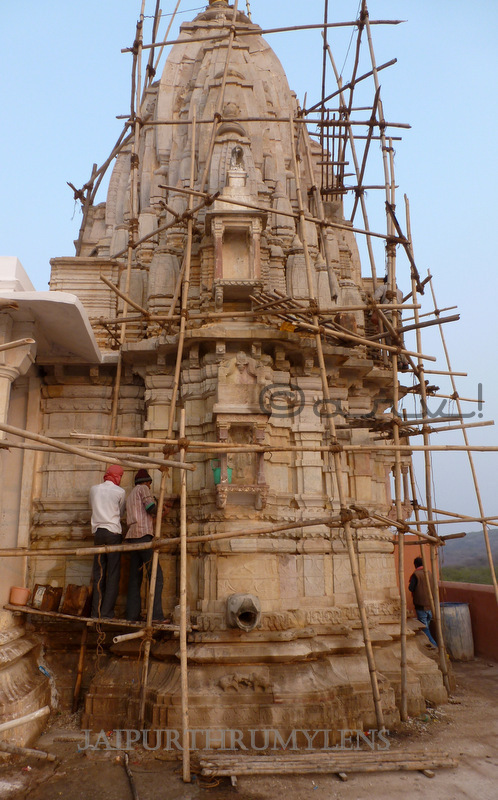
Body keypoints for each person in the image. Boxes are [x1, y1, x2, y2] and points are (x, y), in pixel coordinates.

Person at [124, 469, 171, 622]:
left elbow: (147, 516)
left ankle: (132, 615)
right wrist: (161, 508)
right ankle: (156, 615)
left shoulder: (130, 495)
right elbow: (150, 508)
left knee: (134, 578)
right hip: (143, 536)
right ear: (146, 482)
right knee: (156, 576)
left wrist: (162, 511)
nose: (149, 488)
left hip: (132, 537)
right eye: (150, 484)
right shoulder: (143, 489)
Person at [89, 465, 126, 619]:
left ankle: (95, 611)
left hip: (98, 533)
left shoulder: (94, 489)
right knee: (112, 574)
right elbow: (121, 512)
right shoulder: (120, 492)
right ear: (118, 476)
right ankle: (106, 612)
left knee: (99, 573)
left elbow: (91, 507)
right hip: (113, 533)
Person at [408, 556, 438, 648]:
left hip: (421, 606)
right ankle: (432, 645)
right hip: (431, 605)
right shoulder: (430, 573)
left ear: (415, 565)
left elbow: (411, 588)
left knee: (425, 629)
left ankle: (435, 646)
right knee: (426, 627)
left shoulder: (416, 575)